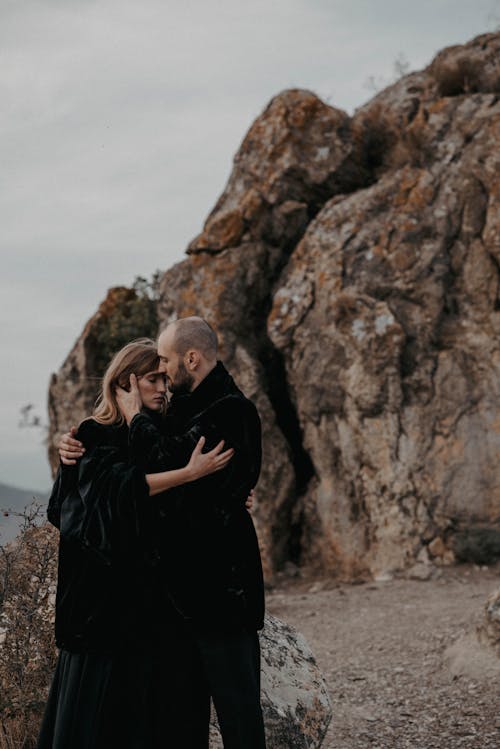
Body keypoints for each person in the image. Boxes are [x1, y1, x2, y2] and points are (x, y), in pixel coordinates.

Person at [59, 317, 267, 749]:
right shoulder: (175, 412)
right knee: (175, 722)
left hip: (221, 598)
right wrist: (70, 456)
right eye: (154, 376)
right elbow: (96, 498)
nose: (165, 381)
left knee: (238, 717)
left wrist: (217, 489)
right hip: (169, 606)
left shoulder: (231, 410)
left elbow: (160, 464)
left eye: (166, 366)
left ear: (191, 358)